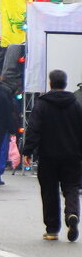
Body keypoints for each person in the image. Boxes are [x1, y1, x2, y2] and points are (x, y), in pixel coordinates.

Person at [22, 69, 82, 241]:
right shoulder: (75, 104)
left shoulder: (42, 104)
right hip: (72, 155)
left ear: (50, 83)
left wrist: (28, 151)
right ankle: (72, 214)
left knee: (49, 191)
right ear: (65, 83)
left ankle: (52, 229)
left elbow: (34, 129)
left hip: (48, 156)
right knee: (71, 187)